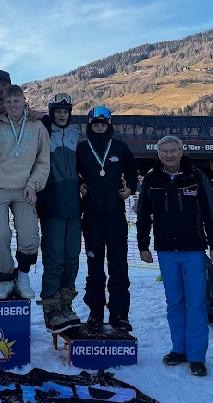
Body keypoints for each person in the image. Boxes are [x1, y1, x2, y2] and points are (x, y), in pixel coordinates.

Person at [137, 135, 213, 377]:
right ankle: (179, 349)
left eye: (173, 150)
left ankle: (197, 356)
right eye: (164, 151)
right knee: (174, 302)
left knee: (196, 303)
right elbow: (143, 215)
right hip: (166, 250)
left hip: (193, 249)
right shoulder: (152, 179)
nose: (169, 155)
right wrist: (143, 246)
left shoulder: (196, 176)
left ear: (181, 151)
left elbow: (210, 212)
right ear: (158, 153)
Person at [0, 85, 50, 300]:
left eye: (16, 101)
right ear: (4, 104)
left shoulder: (37, 126)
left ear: (24, 101)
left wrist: (33, 184)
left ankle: (23, 276)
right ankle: (5, 277)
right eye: (8, 102)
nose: (12, 105)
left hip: (25, 189)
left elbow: (43, 160)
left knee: (29, 235)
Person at [77, 105, 137, 332]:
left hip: (115, 217)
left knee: (119, 266)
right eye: (95, 124)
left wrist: (130, 188)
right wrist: (79, 184)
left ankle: (119, 314)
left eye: (103, 123)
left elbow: (132, 171)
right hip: (91, 217)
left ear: (109, 125)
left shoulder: (120, 147)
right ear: (90, 126)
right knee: (95, 269)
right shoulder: (83, 148)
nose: (99, 127)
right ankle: (95, 312)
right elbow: (72, 171)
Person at [36, 93, 81, 331]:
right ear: (52, 113)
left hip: (74, 205)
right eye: (57, 111)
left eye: (65, 111)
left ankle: (66, 305)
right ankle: (51, 309)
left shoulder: (76, 134)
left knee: (72, 259)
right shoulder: (44, 132)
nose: (62, 115)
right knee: (54, 260)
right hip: (52, 202)